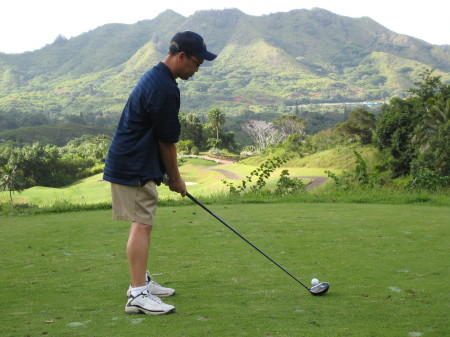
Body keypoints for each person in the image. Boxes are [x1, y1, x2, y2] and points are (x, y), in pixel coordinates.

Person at [103, 31, 217, 315]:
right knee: (141, 223)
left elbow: (155, 134)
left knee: (144, 222)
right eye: (197, 62)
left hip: (136, 160)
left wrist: (164, 174)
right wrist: (175, 177)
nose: (197, 69)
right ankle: (137, 294)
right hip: (133, 163)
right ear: (181, 57)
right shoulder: (165, 88)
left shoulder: (158, 78)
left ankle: (141, 281)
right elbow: (167, 141)